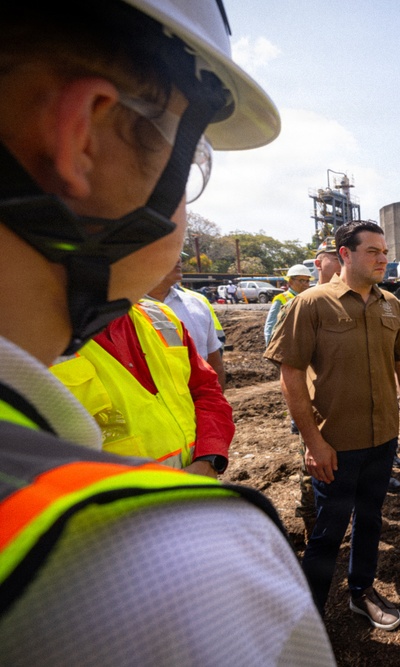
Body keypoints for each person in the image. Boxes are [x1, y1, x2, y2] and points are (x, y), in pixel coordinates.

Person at [0, 2, 335, 665]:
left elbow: (208, 391)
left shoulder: (157, 324)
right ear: (84, 136)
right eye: (195, 164)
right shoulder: (180, 571)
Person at [265, 220, 400, 632]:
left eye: (385, 251)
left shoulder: (391, 304)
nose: (383, 258)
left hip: (382, 438)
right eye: (373, 251)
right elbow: (291, 374)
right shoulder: (311, 304)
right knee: (329, 532)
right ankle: (308, 620)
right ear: (345, 254)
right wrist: (314, 443)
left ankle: (361, 592)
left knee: (370, 519)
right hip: (335, 444)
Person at [51, 293, 234, 477]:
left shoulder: (162, 317)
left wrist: (209, 459)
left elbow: (207, 393)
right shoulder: (36, 343)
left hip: (197, 492)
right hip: (117, 503)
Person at [147, 254, 227, 391]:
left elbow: (215, 365)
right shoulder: (118, 312)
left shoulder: (197, 304)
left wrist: (215, 408)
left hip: (196, 408)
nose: (178, 259)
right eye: (169, 251)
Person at [265, 264, 312, 346]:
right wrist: (269, 347)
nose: (305, 284)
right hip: (287, 345)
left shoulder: (309, 298)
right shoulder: (281, 299)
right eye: (301, 280)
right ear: (290, 281)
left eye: (307, 281)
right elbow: (271, 325)